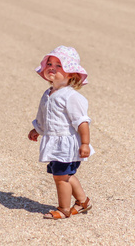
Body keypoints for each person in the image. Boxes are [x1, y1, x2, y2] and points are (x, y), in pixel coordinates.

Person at [28, 45, 94, 219]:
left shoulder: (71, 96)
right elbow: (45, 116)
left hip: (66, 143)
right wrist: (38, 129)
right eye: (50, 63)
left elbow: (82, 121)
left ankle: (64, 209)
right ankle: (82, 202)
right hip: (54, 142)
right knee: (65, 175)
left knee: (60, 177)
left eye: (59, 66)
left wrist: (85, 143)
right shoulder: (48, 93)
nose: (52, 68)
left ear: (71, 73)